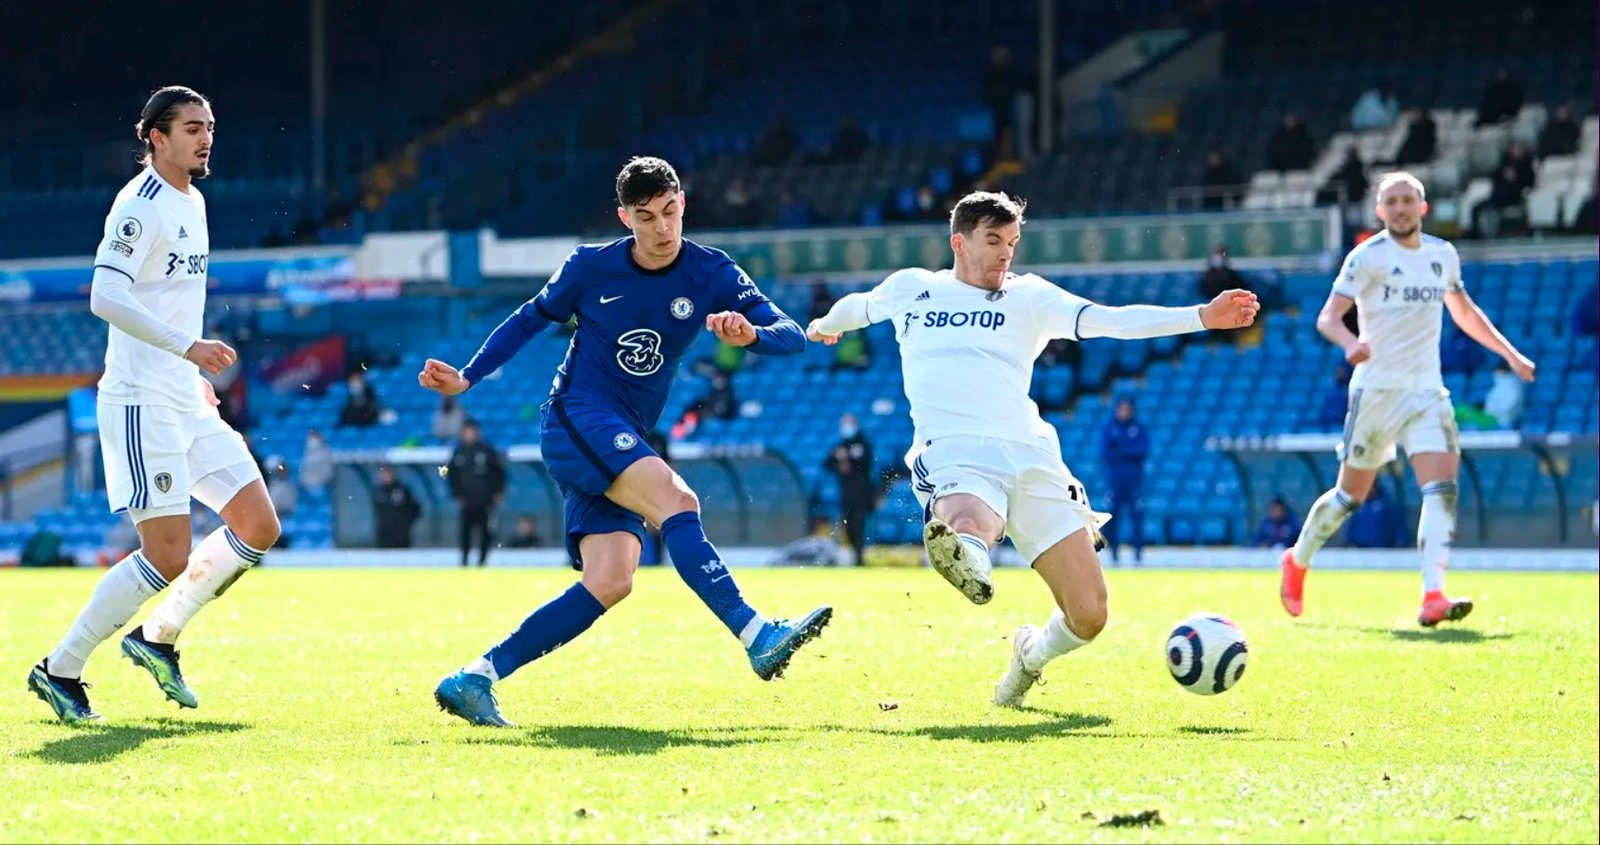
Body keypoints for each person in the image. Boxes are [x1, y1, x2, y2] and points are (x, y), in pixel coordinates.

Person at [417, 156, 831, 726]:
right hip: (577, 417)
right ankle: (757, 633)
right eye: (646, 217)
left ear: (682, 203)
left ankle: (474, 678)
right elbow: (528, 319)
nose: (662, 229)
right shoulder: (591, 266)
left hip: (620, 430)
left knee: (611, 580)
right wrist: (467, 376)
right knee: (678, 502)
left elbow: (791, 336)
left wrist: (752, 332)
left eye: (670, 212)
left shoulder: (712, 272)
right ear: (624, 217)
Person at [807, 191, 1258, 707]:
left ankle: (1029, 656)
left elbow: (1112, 320)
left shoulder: (1030, 297)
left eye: (1013, 243)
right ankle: (967, 553)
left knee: (1090, 615)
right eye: (994, 240)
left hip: (1032, 455)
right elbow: (857, 307)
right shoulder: (914, 288)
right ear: (959, 242)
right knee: (969, 516)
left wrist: (1200, 316)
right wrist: (825, 325)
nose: (1006, 254)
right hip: (954, 449)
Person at [29, 86, 280, 724]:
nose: (205, 139)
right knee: (168, 554)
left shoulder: (194, 201)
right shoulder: (139, 205)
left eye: (210, 127)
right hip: (140, 399)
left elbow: (170, 297)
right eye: (191, 128)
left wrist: (189, 367)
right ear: (156, 137)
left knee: (258, 524)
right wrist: (188, 348)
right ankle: (61, 667)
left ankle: (156, 636)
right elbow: (105, 297)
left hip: (184, 396)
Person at [1281, 171, 1536, 628]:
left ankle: (1433, 594)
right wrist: (1349, 343)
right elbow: (1328, 318)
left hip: (1426, 391)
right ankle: (1298, 560)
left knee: (1441, 489)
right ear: (1380, 211)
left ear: (1423, 207)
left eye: (1408, 199)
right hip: (1376, 390)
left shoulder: (1443, 256)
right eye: (1391, 201)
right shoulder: (1368, 257)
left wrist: (1510, 354)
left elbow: (1465, 313)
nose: (1400, 207)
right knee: (1348, 497)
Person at [447, 419, 506, 567]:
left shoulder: (487, 450)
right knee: (465, 531)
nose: (469, 434)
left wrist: (498, 491)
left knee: (486, 532)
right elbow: (451, 475)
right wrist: (456, 494)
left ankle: (482, 560)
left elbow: (499, 472)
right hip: (466, 501)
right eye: (467, 431)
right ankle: (464, 561)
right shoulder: (458, 452)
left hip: (485, 500)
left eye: (472, 431)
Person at [1100, 397, 1149, 565]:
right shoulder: (1110, 428)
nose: (1124, 413)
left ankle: (1138, 555)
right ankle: (1113, 554)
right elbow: (1106, 453)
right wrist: (1127, 450)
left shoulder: (1138, 428)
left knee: (1137, 517)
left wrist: (1120, 447)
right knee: (1113, 517)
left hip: (1134, 481)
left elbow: (1141, 451)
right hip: (1115, 481)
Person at [823, 413, 876, 567]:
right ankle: (855, 557)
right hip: (846, 495)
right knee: (849, 526)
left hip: (862, 494)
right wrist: (839, 464)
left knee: (859, 525)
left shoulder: (863, 444)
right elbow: (827, 464)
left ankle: (860, 558)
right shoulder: (840, 445)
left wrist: (847, 460)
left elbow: (866, 464)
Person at [372, 464, 420, 548]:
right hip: (384, 535)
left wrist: (405, 524)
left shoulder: (403, 491)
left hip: (401, 536)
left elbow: (415, 509)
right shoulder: (378, 492)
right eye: (382, 473)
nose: (384, 476)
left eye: (387, 473)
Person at [1482, 362, 1525, 428]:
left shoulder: (1512, 384)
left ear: (1503, 372)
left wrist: (1496, 415)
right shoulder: (1498, 386)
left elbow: (1512, 405)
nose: (1495, 375)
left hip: (1504, 421)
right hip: (1493, 419)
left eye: (1497, 372)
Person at [299, 428, 334, 493]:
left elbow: (328, 472)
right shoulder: (304, 452)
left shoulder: (325, 452)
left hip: (322, 485)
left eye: (314, 437)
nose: (312, 441)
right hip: (307, 486)